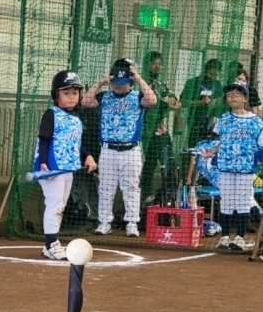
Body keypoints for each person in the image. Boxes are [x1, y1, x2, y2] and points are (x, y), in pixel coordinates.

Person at [81, 58, 156, 237]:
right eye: (116, 82)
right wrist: (100, 83)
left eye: (123, 82)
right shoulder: (105, 96)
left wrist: (138, 78)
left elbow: (152, 100)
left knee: (131, 187)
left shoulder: (137, 96)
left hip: (131, 150)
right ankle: (104, 222)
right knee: (106, 187)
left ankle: (132, 223)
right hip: (108, 150)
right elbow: (85, 102)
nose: (118, 86)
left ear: (130, 82)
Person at [31, 71, 97, 259]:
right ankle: (51, 244)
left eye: (75, 93)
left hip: (68, 168)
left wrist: (87, 156)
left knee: (60, 206)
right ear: (56, 95)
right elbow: (44, 139)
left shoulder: (75, 119)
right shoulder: (51, 114)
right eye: (66, 93)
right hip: (52, 168)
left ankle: (51, 243)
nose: (71, 97)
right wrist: (44, 163)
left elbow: (74, 144)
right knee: (54, 205)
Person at [205, 81, 263, 252]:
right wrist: (213, 151)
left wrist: (256, 160)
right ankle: (224, 237)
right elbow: (222, 140)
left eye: (237, 94)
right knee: (226, 201)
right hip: (225, 165)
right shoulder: (223, 119)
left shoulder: (256, 122)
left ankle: (239, 238)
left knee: (243, 201)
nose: (232, 97)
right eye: (229, 94)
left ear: (245, 99)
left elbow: (261, 145)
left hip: (245, 168)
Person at [139, 51, 181, 204]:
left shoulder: (161, 83)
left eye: (159, 63)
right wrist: (167, 103)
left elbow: (173, 100)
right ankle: (145, 197)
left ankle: (169, 196)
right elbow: (156, 103)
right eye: (153, 63)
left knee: (170, 162)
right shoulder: (143, 82)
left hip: (160, 129)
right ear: (147, 65)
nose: (157, 66)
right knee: (149, 164)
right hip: (146, 130)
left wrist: (170, 102)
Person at [180, 58, 222, 148]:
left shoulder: (217, 84)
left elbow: (219, 101)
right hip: (195, 122)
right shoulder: (193, 82)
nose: (212, 78)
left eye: (215, 75)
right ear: (205, 70)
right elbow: (183, 102)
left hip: (212, 122)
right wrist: (199, 102)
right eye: (211, 74)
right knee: (195, 147)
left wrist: (216, 102)